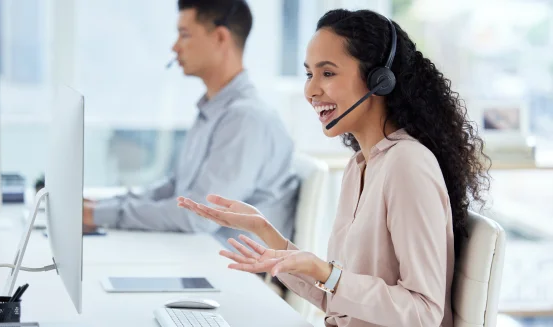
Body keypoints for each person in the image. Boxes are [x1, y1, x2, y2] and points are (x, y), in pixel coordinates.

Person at [178, 8, 491, 327]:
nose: (311, 90)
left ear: (378, 80)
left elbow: (423, 312)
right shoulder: (360, 166)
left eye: (327, 73)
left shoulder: (408, 165)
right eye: (309, 74)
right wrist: (264, 230)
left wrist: (326, 273)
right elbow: (338, 298)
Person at [84, 0, 300, 249]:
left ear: (220, 37)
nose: (175, 47)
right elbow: (175, 189)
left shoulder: (245, 119)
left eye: (184, 35)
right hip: (201, 252)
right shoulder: (213, 110)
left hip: (232, 270)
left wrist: (97, 216)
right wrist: (99, 207)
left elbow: (198, 216)